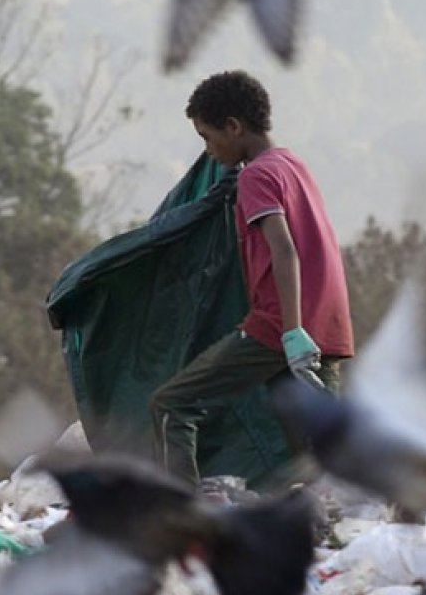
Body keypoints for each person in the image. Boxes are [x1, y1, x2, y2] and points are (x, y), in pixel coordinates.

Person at [150, 70, 354, 487]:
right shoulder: (292, 164)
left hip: (280, 325)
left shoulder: (256, 176)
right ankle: (328, 533)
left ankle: (185, 513)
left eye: (208, 137)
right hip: (327, 322)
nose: (208, 150)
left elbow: (284, 249)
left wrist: (292, 333)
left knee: (172, 404)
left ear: (234, 127)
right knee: (316, 451)